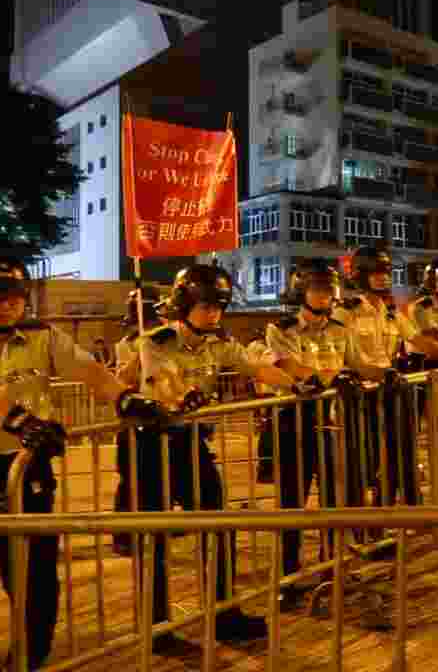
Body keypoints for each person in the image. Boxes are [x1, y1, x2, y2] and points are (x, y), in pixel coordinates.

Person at [0, 251, 167, 669]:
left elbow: (87, 370)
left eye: (13, 295)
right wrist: (18, 420)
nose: (6, 304)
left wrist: (125, 397)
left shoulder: (43, 336)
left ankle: (28, 660)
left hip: (27, 471)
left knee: (36, 577)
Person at [138, 264, 297, 646]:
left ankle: (224, 613)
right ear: (184, 304)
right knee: (154, 540)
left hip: (190, 444)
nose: (213, 313)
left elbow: (257, 367)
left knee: (220, 526)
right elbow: (162, 380)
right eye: (205, 305)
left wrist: (302, 383)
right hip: (150, 445)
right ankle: (157, 627)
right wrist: (181, 394)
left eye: (219, 306)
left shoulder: (220, 344)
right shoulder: (155, 341)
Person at [263, 259, 353, 610]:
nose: (325, 296)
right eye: (317, 289)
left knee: (332, 496)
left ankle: (331, 567)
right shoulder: (281, 328)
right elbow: (289, 366)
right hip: (291, 420)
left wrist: (385, 373)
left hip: (327, 420)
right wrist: (331, 379)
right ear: (301, 291)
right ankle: (287, 577)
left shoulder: (339, 329)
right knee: (291, 502)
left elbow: (355, 362)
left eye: (329, 289)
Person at [338, 244, 438, 508]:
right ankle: (360, 523)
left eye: (386, 271)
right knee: (364, 461)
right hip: (360, 396)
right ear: (361, 275)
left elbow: (417, 338)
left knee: (401, 453)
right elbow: (350, 358)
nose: (384, 277)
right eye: (376, 272)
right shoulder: (346, 311)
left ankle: (391, 508)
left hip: (389, 390)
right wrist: (378, 373)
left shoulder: (391, 312)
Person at [113, 285, 167, 556]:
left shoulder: (168, 337)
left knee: (161, 479)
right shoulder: (126, 343)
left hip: (164, 419)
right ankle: (123, 534)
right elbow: (125, 379)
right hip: (136, 421)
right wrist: (141, 351)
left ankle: (164, 525)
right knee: (131, 479)